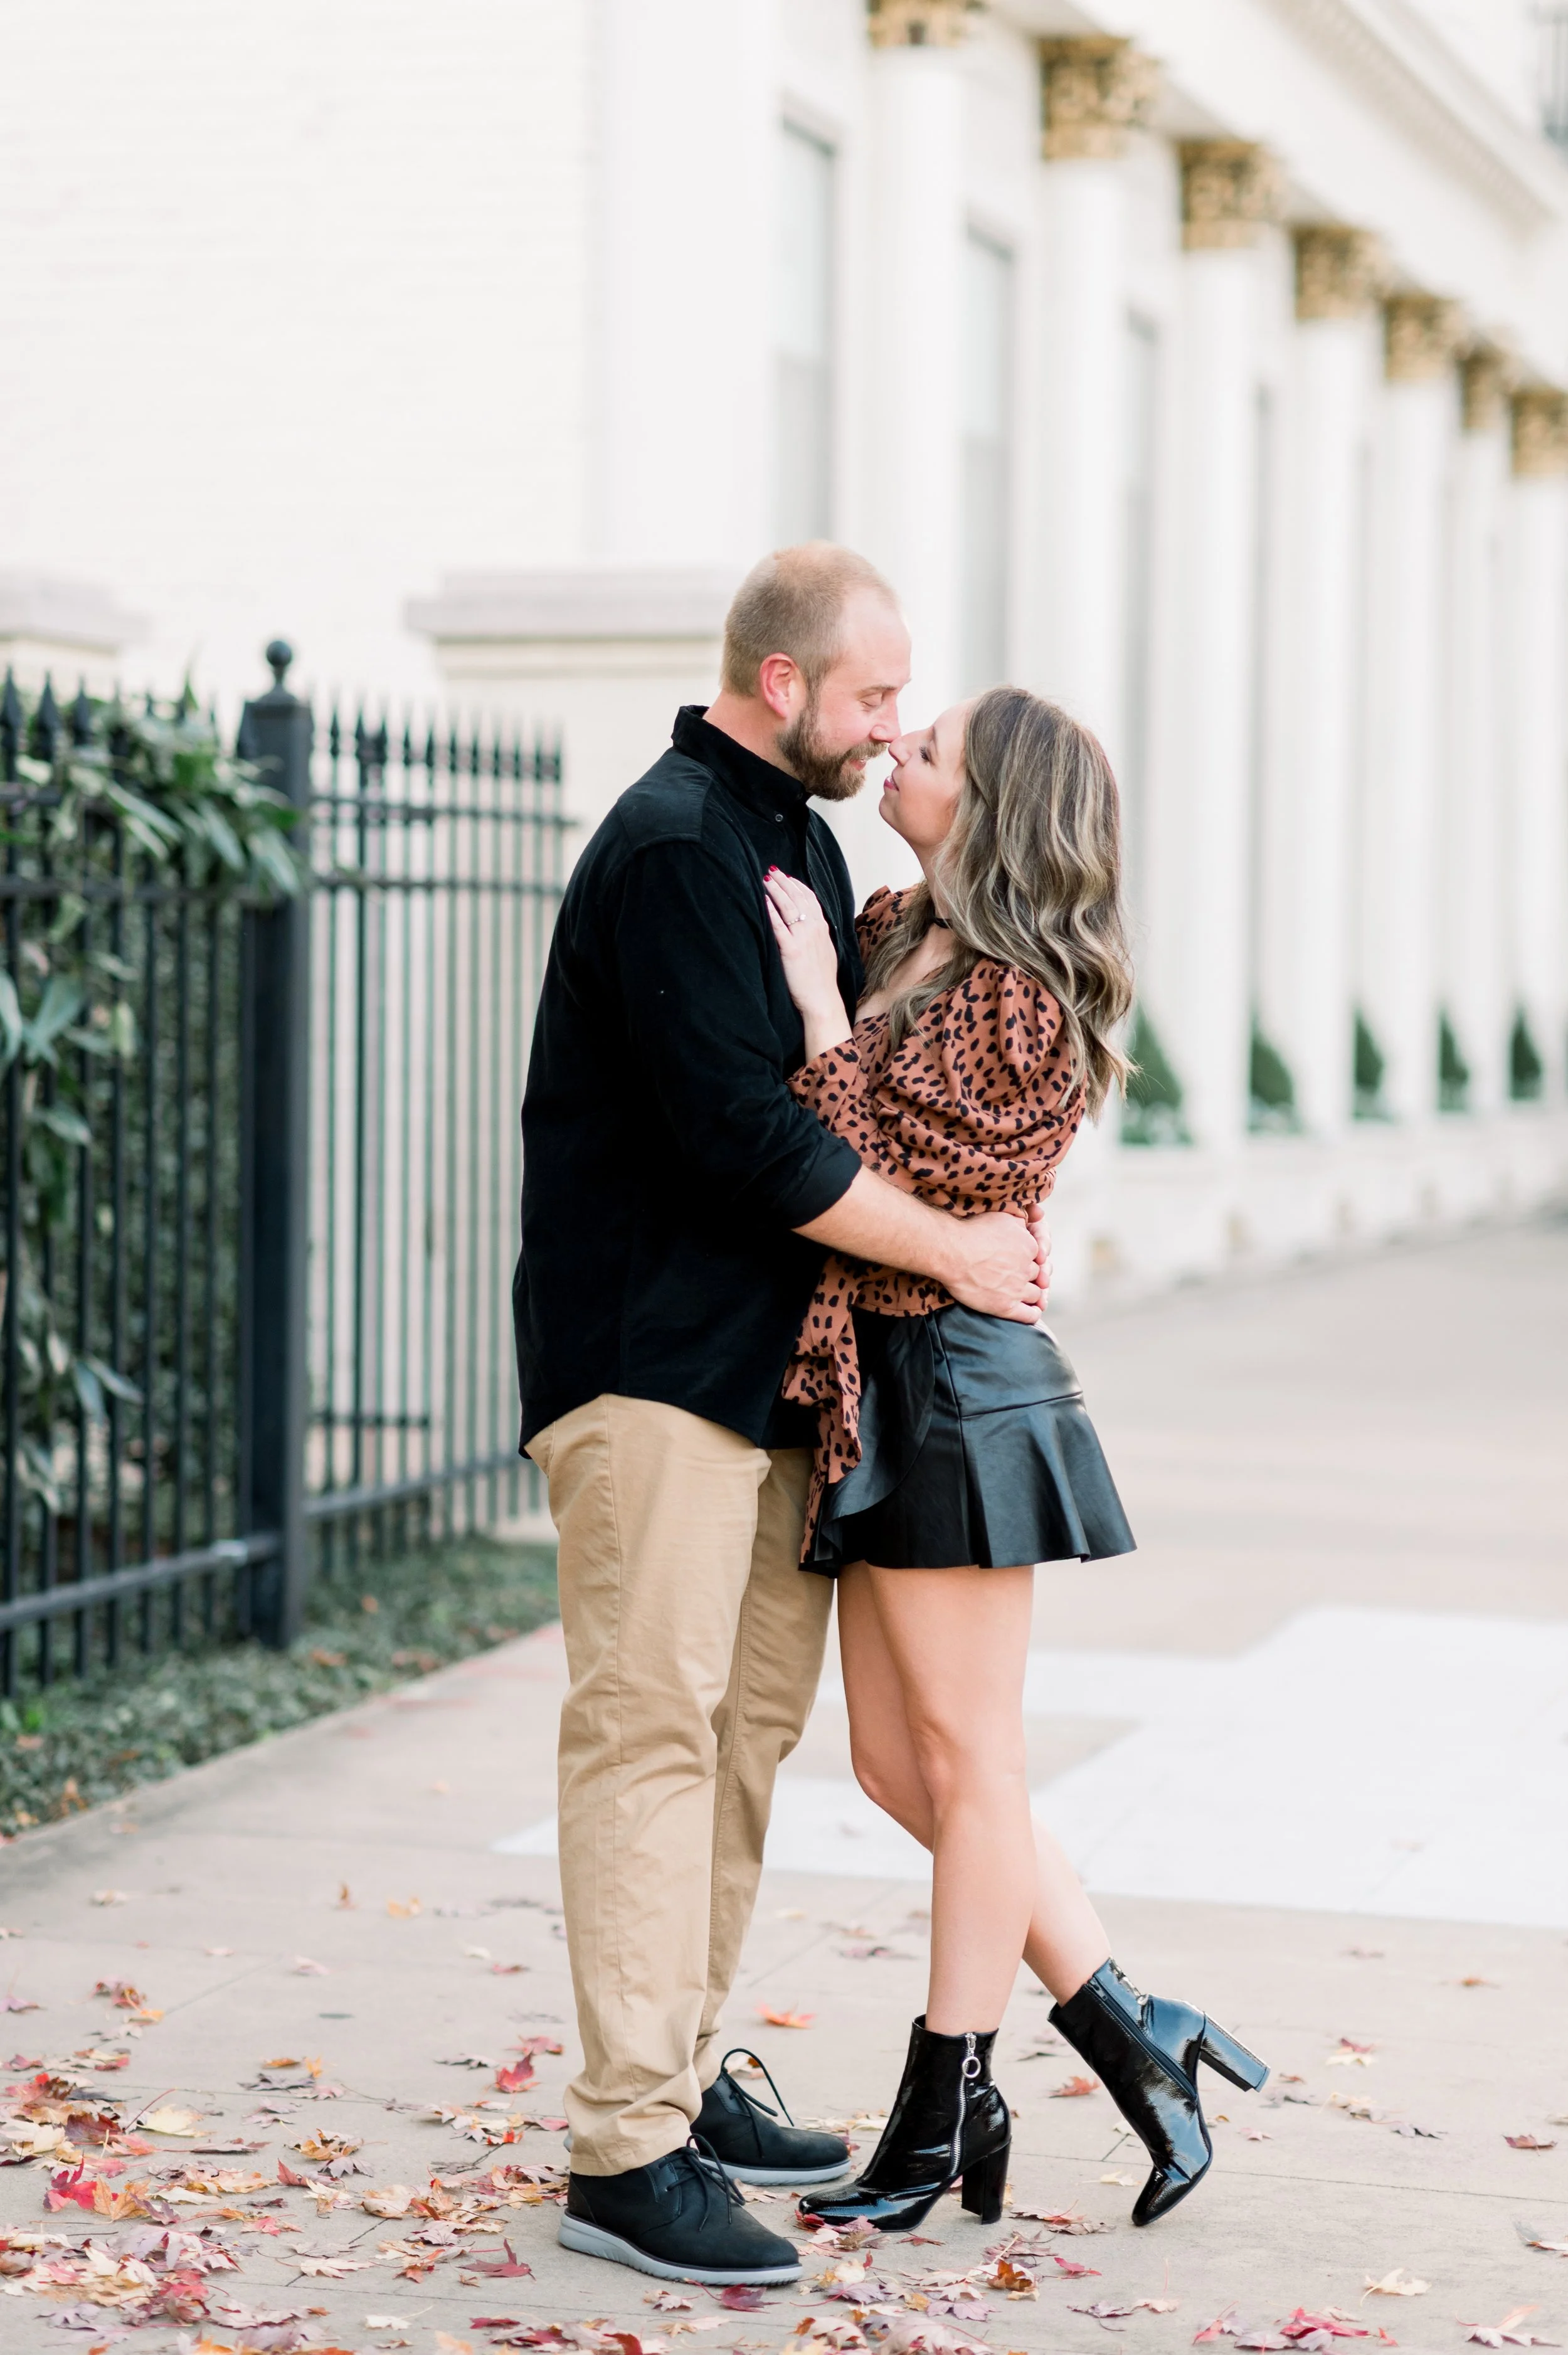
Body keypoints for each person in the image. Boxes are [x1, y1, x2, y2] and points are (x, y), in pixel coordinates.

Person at [514, 545, 1052, 2288]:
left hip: (765, 1387)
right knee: (651, 1737)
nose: (893, 726)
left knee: (737, 1740)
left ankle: (670, 2072)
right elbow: (759, 1142)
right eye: (875, 695)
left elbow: (885, 1088)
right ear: (781, 685)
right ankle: (624, 2150)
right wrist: (961, 1256)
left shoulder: (802, 845)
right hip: (651, 1373)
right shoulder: (680, 845)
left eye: (909, 704)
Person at [760, 686, 1269, 2235]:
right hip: (882, 1385)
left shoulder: (1023, 993)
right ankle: (1126, 2023)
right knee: (894, 1768)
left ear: (987, 809)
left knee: (973, 1767)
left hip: (964, 1395)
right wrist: (829, 981)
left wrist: (815, 1015)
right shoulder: (894, 924)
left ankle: (943, 2096)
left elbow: (886, 1173)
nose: (898, 752)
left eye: (928, 753)